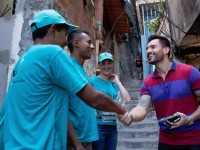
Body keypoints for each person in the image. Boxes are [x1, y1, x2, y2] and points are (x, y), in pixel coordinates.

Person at [0, 9, 127, 150]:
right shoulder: (52, 52)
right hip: (41, 144)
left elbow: (6, 111)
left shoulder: (22, 60)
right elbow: (94, 98)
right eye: (65, 34)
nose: (66, 42)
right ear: (53, 29)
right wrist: (123, 111)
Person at [118, 35, 200, 150]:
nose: (149, 51)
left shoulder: (188, 72)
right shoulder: (148, 82)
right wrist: (131, 116)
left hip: (192, 140)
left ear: (166, 50)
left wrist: (189, 119)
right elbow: (142, 107)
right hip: (166, 142)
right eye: (147, 48)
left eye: (153, 47)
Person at [90, 52, 131, 150]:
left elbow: (127, 99)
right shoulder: (92, 81)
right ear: (99, 65)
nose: (106, 66)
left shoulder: (114, 84)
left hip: (112, 127)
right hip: (98, 126)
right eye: (103, 63)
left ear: (112, 64)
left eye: (109, 63)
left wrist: (118, 82)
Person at [66, 29, 98, 150]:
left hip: (85, 139)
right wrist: (76, 143)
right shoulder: (68, 68)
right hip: (75, 142)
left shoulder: (80, 69)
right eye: (89, 42)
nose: (93, 46)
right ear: (77, 43)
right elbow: (61, 107)